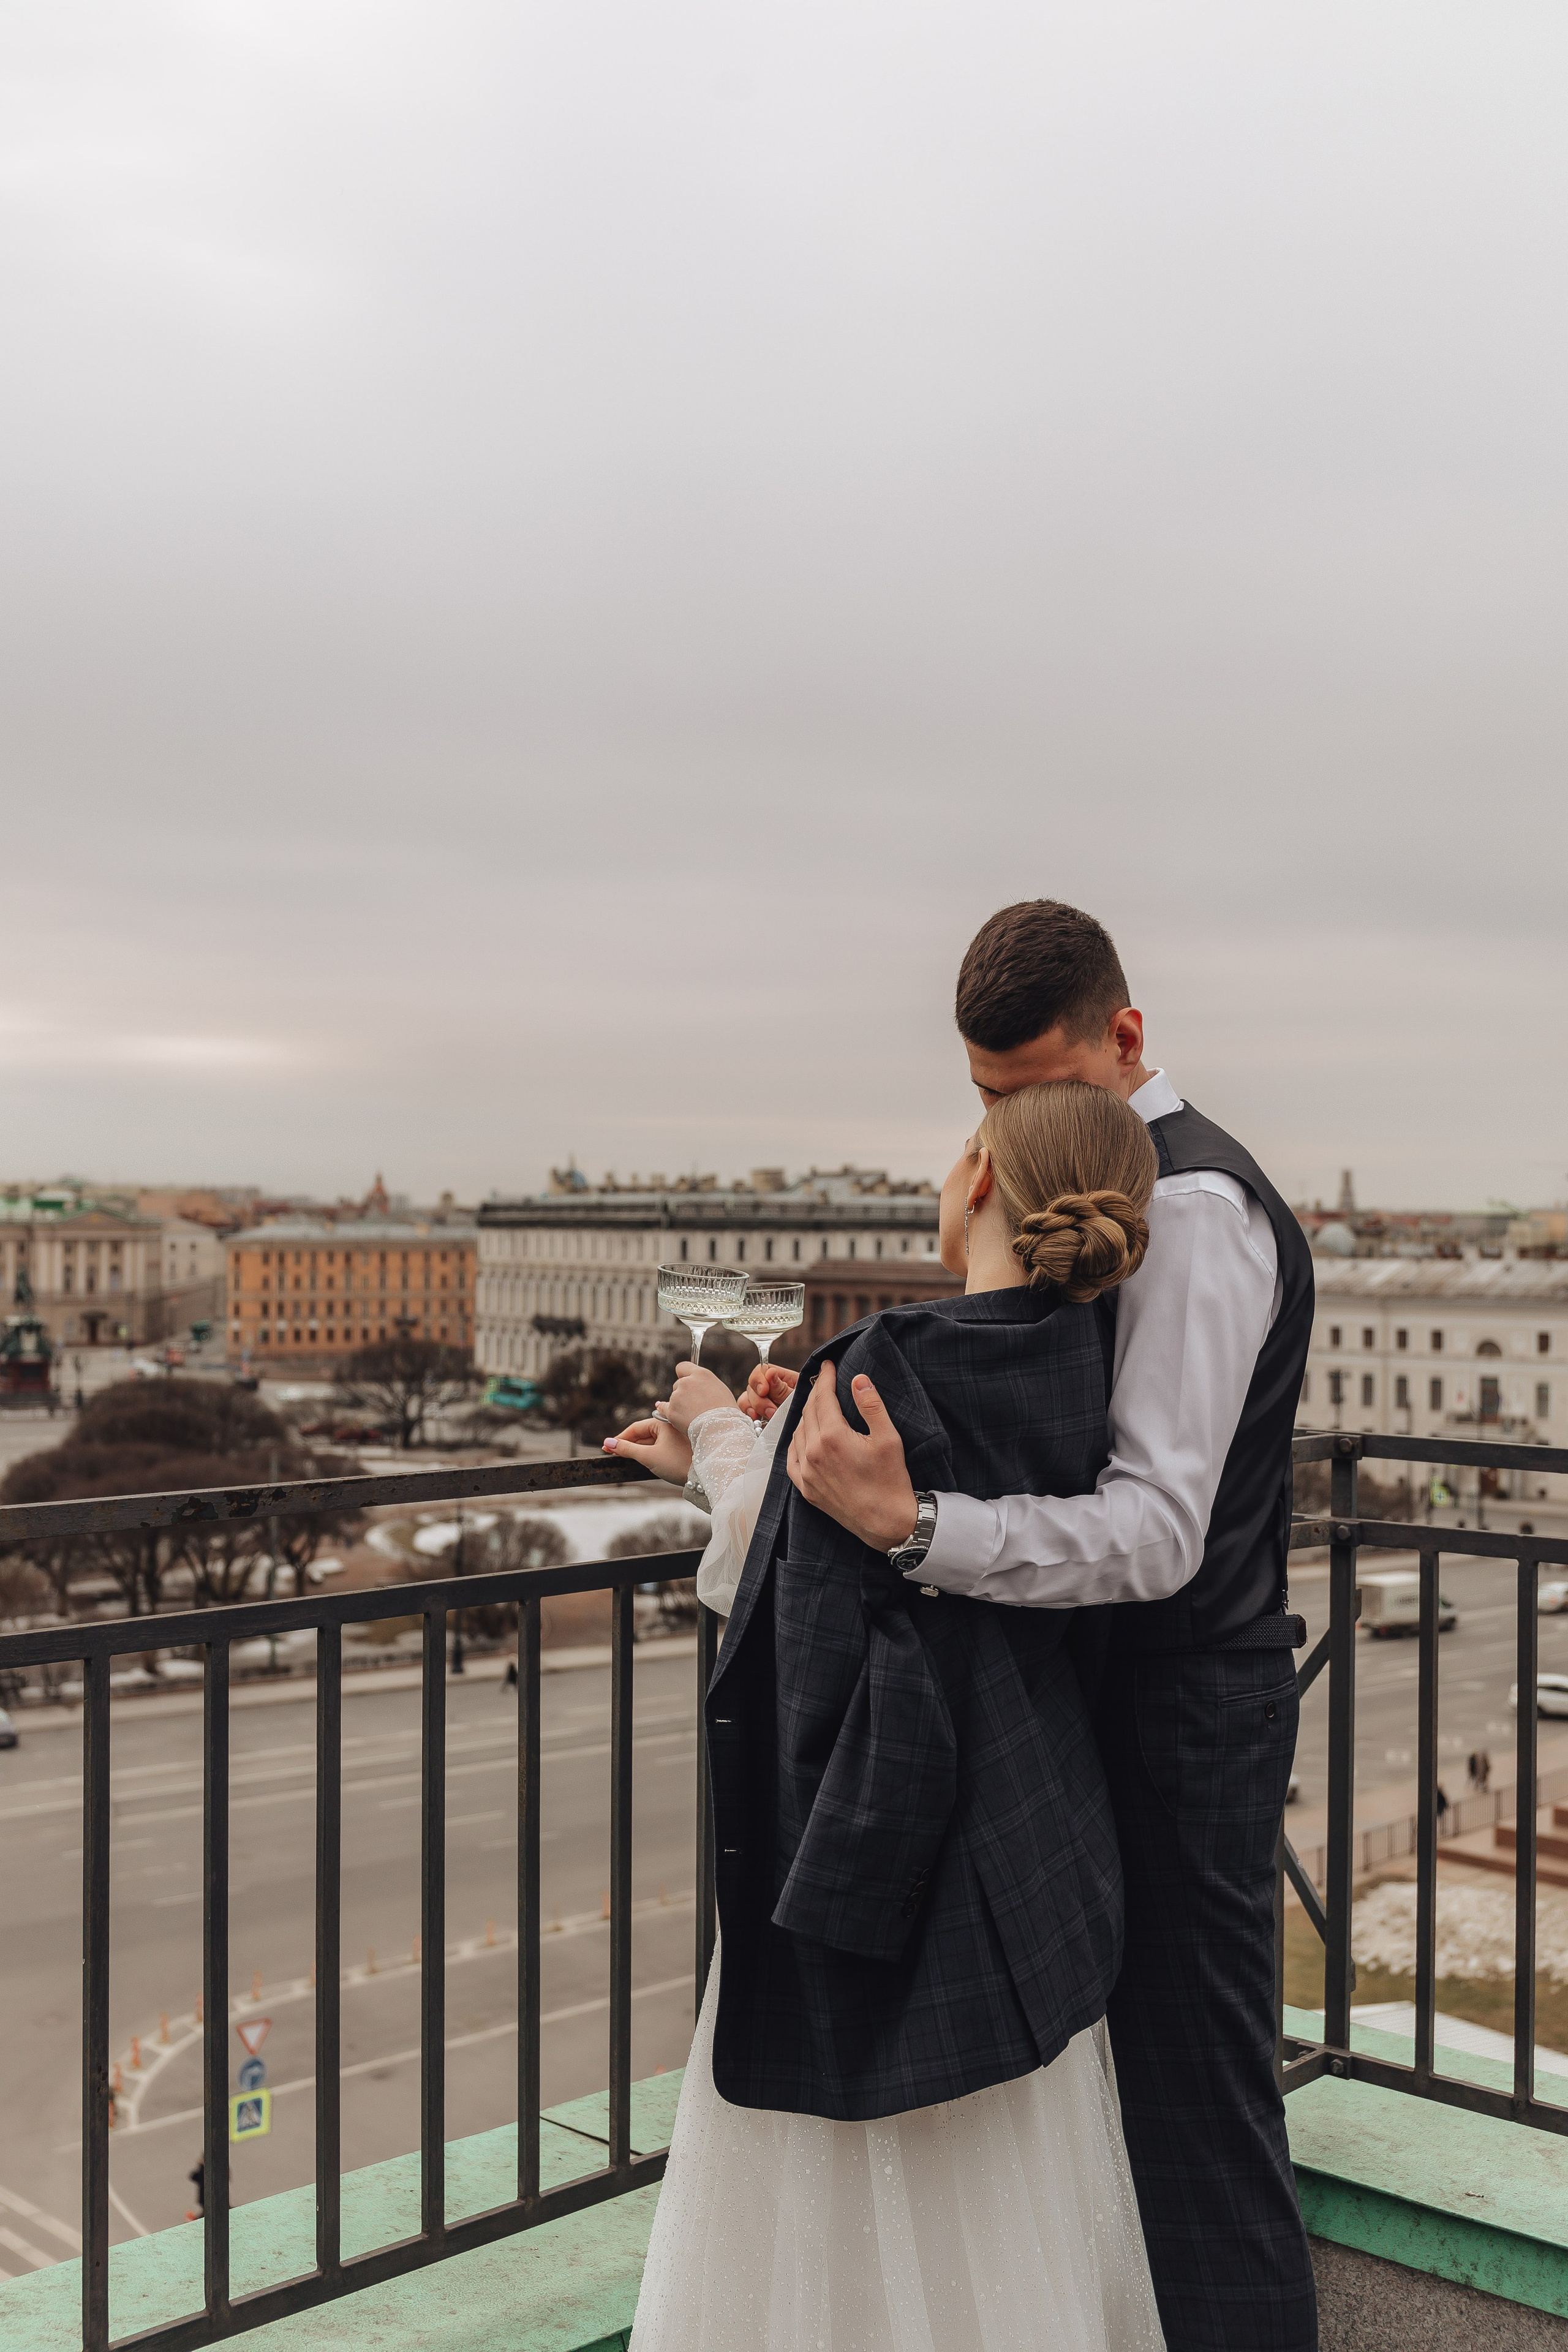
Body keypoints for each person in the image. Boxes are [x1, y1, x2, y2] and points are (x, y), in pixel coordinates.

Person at [763, 902, 1317, 2352]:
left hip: (1184, 1704)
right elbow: (1058, 1438)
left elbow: (1149, 1528)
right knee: (1118, 2104)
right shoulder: (1128, 1193)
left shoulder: (1194, 1213)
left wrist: (913, 1525)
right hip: (1110, 1693)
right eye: (984, 1103)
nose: (1004, 1136)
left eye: (1031, 1095)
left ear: (1126, 1038)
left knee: (1196, 2112)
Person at [609, 1083, 1166, 2352]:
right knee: (1012, 2232)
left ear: (975, 1179)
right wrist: (791, 1430)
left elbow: (795, 1607)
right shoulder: (1079, 1361)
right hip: (1023, 1857)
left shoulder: (888, 1364)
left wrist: (711, 1434)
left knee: (833, 2244)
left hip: (887, 1862)